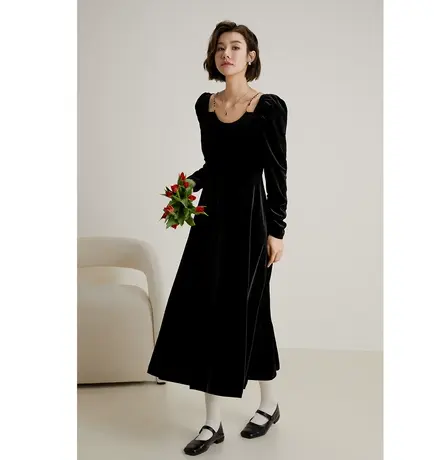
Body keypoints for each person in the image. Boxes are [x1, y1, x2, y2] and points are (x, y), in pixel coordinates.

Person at [147, 20, 288, 456]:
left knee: (250, 310)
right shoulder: (205, 105)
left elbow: (276, 172)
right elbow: (215, 165)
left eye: (236, 47)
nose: (226, 53)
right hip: (210, 220)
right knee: (208, 309)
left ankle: (268, 404)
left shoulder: (268, 107)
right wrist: (185, 189)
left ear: (250, 56)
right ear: (214, 57)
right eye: (220, 47)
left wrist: (277, 230)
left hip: (251, 223)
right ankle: (213, 422)